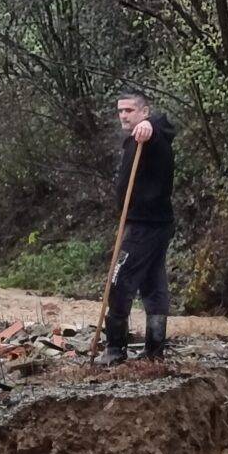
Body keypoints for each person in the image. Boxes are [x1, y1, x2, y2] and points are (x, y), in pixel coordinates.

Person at [100, 89, 180, 363]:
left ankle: (114, 350)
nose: (123, 115)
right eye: (120, 110)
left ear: (144, 112)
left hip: (146, 226)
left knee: (119, 280)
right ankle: (155, 351)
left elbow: (162, 124)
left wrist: (150, 124)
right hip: (148, 224)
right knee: (153, 283)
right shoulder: (134, 140)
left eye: (130, 110)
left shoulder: (152, 135)